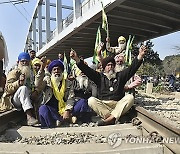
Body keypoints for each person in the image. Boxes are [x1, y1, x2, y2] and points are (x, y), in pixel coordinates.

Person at [70, 44, 147, 126]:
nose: (110, 67)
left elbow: (132, 69)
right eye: (108, 65)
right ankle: (114, 117)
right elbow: (87, 70)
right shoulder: (99, 77)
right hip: (104, 106)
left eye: (112, 65)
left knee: (130, 97)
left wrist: (140, 55)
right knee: (91, 100)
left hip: (118, 104)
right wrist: (76, 59)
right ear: (104, 68)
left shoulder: (120, 76)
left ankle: (110, 119)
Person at [0, 52, 41, 126]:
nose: (25, 63)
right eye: (22, 61)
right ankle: (29, 116)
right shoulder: (14, 73)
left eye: (26, 61)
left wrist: (36, 91)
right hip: (14, 101)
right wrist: (19, 82)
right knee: (23, 88)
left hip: (28, 98)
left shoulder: (31, 73)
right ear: (18, 62)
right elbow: (7, 89)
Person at [38, 60, 69, 128]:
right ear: (51, 72)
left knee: (81, 103)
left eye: (58, 69)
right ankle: (55, 122)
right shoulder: (47, 81)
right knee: (42, 109)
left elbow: (71, 98)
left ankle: (60, 120)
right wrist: (41, 68)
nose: (56, 71)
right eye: (54, 69)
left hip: (64, 108)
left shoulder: (67, 83)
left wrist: (67, 110)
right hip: (52, 109)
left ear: (62, 71)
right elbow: (38, 85)